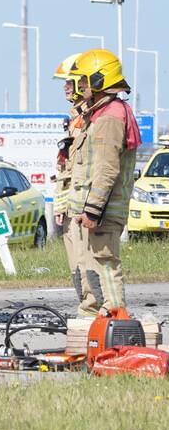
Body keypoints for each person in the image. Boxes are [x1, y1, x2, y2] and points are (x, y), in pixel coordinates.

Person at [66, 49, 141, 315]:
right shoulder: (100, 113)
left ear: (99, 80)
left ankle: (116, 319)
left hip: (104, 210)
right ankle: (95, 321)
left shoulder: (110, 116)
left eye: (83, 80)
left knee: (105, 263)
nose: (79, 86)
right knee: (91, 265)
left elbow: (107, 169)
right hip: (96, 208)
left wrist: (93, 210)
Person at [51, 53, 95, 315]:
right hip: (70, 200)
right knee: (74, 262)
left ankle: (91, 310)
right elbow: (66, 167)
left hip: (81, 202)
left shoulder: (89, 120)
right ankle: (86, 306)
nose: (66, 87)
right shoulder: (76, 118)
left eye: (71, 81)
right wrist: (60, 202)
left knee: (83, 259)